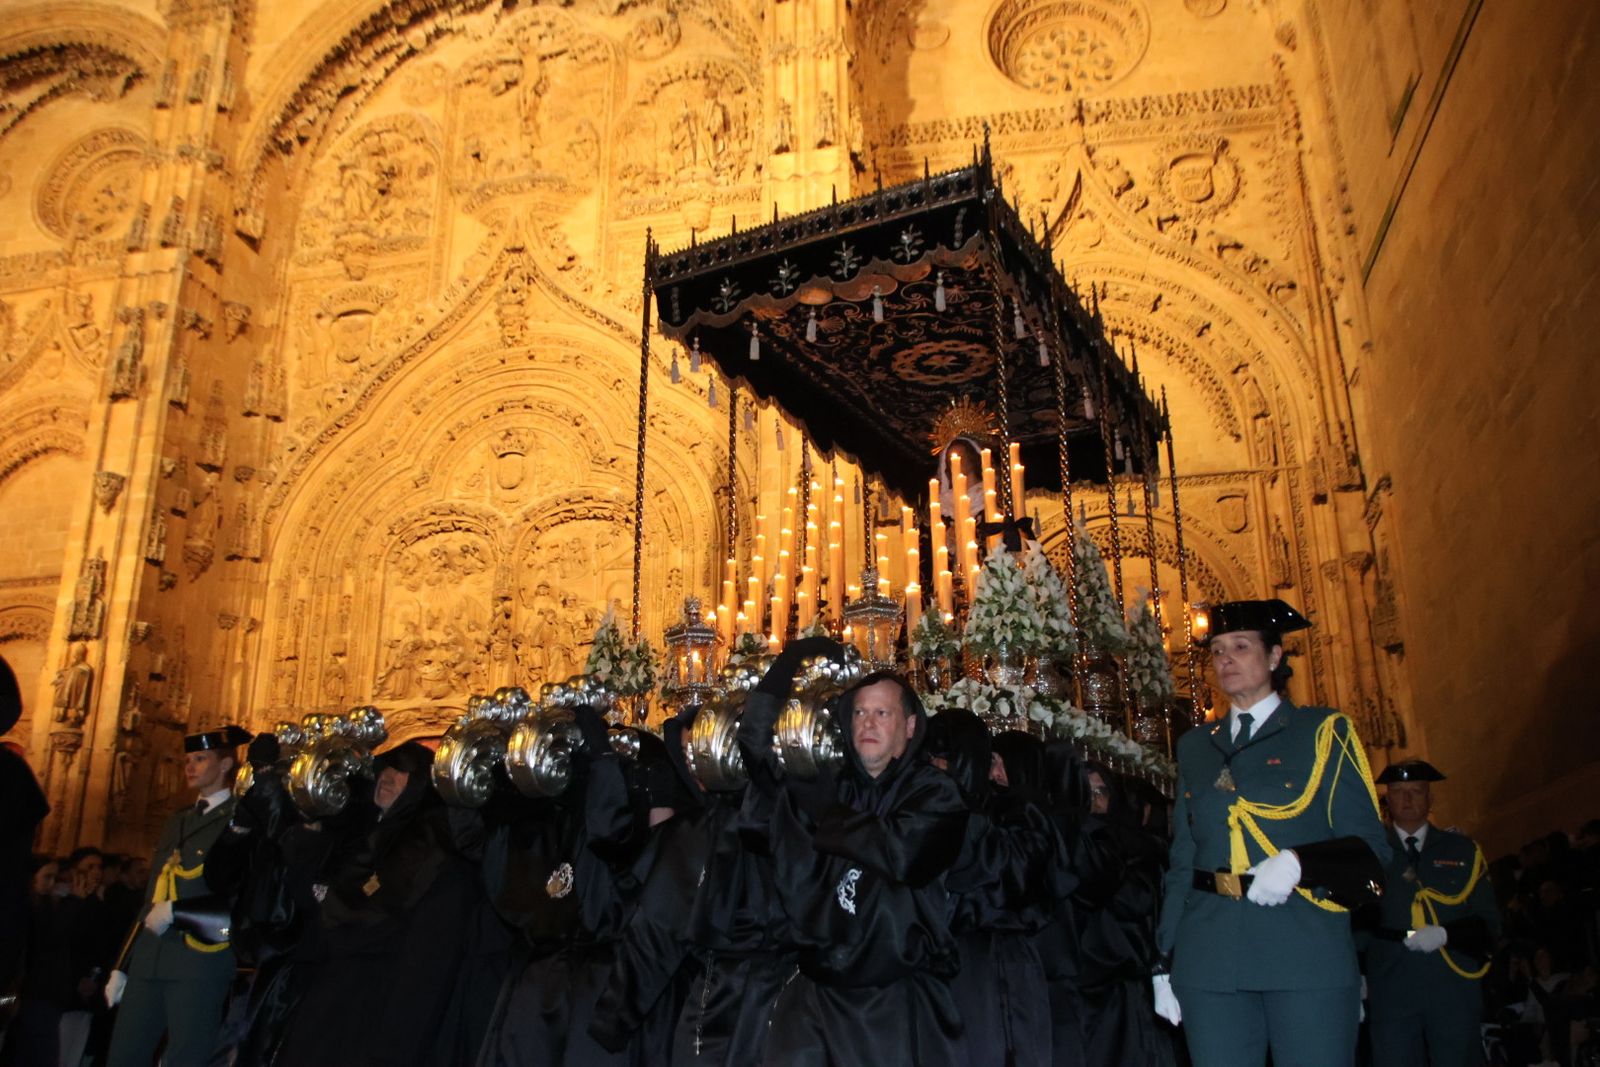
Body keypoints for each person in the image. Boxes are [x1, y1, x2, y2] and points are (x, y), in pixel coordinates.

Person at [1153, 598, 1389, 1067]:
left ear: (1275, 657)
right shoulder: (1197, 746)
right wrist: (1164, 957)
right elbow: (1184, 858)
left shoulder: (1322, 732)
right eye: (1217, 650)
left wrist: (1301, 862)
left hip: (1303, 947)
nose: (1225, 659)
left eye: (1241, 646)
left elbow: (1372, 849)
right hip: (1210, 955)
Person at [739, 641, 969, 1067]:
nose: (868, 722)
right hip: (817, 996)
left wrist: (826, 810)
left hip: (895, 1004)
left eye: (883, 713)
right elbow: (754, 747)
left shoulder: (935, 793)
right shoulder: (831, 784)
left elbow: (901, 853)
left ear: (911, 726)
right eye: (860, 712)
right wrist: (789, 660)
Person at [104, 724, 250, 1067]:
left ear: (226, 765)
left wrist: (178, 911)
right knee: (124, 1055)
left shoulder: (239, 821)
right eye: (188, 759)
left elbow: (238, 895)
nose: (190, 767)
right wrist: (122, 966)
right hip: (149, 958)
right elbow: (151, 898)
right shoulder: (177, 820)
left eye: (200, 759)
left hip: (199, 959)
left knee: (186, 1055)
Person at [923, 709, 1060, 1067]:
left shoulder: (1016, 809)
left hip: (997, 963)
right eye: (930, 762)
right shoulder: (924, 807)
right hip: (941, 965)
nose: (937, 771)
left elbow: (1010, 880)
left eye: (945, 761)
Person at [1365, 759, 1500, 1066]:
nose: (1408, 799)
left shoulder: (1462, 851)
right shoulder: (1371, 852)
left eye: (1416, 791)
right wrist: (1355, 975)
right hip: (1391, 980)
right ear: (1388, 798)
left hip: (1451, 980)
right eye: (1399, 792)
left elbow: (1489, 922)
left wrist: (1446, 934)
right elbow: (1356, 919)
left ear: (1430, 798)